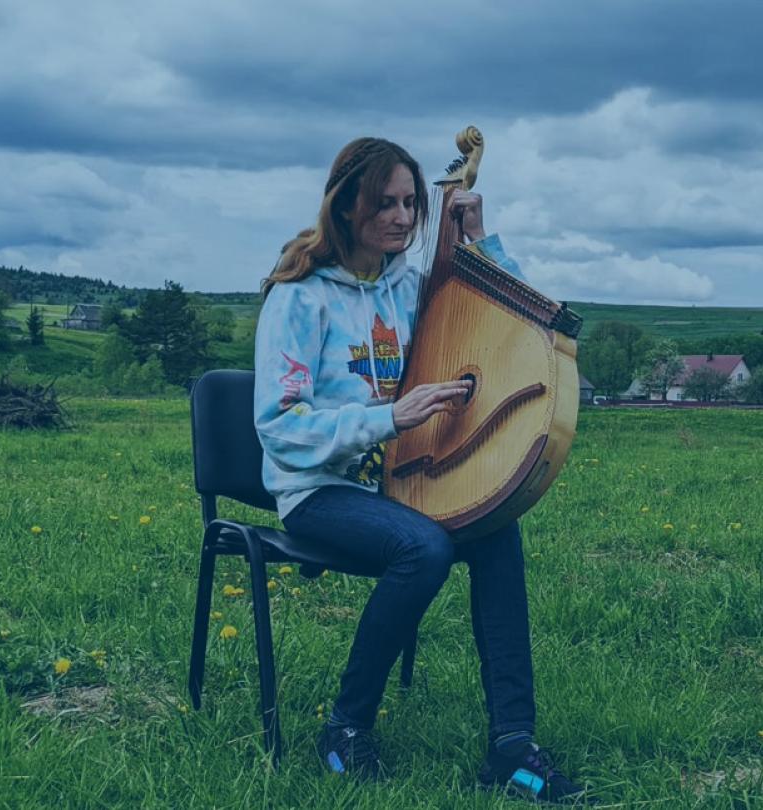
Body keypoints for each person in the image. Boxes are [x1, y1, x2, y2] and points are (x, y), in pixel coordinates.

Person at [253, 137, 595, 804]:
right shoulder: (299, 300)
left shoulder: (413, 289)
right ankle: (346, 728)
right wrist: (390, 417)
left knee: (498, 532)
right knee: (426, 547)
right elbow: (279, 427)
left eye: (412, 203)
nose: (404, 217)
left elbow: (520, 316)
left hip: (403, 482)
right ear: (347, 206)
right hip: (320, 492)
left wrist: (480, 240)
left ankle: (512, 748)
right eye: (386, 203)